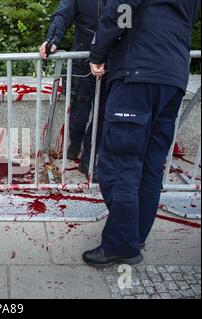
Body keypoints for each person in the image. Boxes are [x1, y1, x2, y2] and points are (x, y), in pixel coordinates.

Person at [83, 0, 201, 266]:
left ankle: (121, 245)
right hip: (173, 78)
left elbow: (122, 10)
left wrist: (98, 53)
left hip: (138, 72)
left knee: (120, 164)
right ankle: (133, 236)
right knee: (150, 165)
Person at [40, 0, 109, 179]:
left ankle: (89, 158)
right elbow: (63, 15)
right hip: (83, 61)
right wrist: (52, 39)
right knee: (79, 111)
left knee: (104, 114)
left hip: (112, 61)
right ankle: (75, 144)